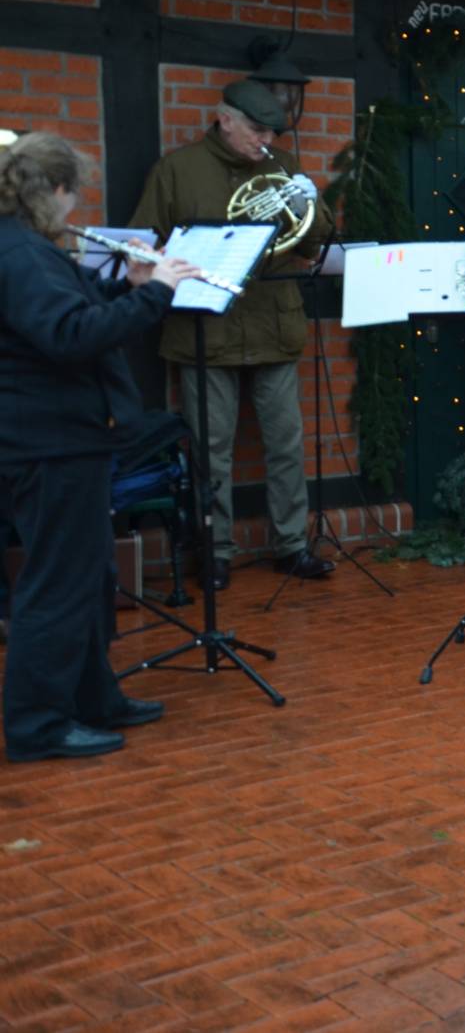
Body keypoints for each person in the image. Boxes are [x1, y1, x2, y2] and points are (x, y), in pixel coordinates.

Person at [1, 132, 203, 761]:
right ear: (54, 190)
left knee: (90, 576)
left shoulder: (25, 247)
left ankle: (93, 697)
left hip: (60, 438)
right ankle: (37, 724)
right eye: (74, 193)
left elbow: (69, 311)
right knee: (58, 583)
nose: (76, 207)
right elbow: (69, 336)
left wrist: (131, 285)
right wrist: (158, 291)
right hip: (49, 441)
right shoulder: (22, 253)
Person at [129, 80, 336, 590]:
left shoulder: (282, 166)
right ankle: (215, 551)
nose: (265, 141)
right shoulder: (177, 170)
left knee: (286, 443)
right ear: (225, 120)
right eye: (257, 130)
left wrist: (308, 201)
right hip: (206, 326)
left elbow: (314, 244)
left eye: (271, 132)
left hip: (272, 322)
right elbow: (143, 244)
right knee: (210, 448)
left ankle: (291, 545)